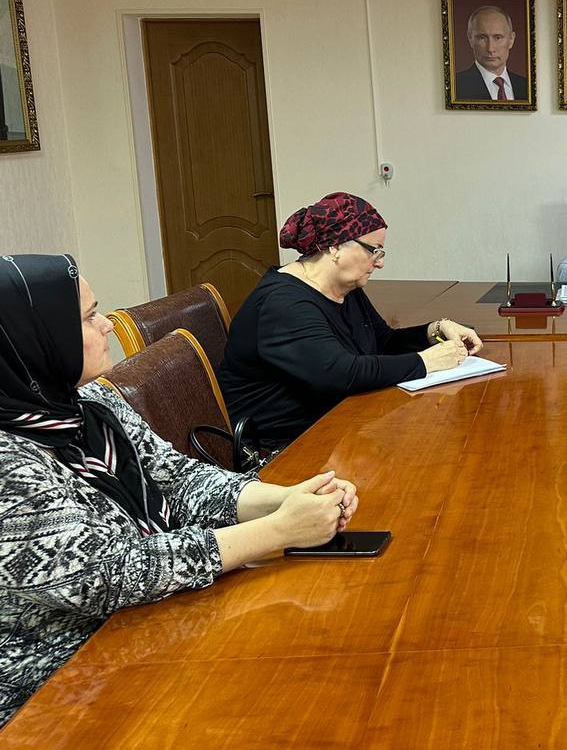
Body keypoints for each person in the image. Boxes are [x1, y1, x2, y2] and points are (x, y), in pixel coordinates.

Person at [0, 253, 362, 725]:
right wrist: (278, 531)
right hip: (60, 686)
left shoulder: (88, 402)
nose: (107, 325)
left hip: (151, 622)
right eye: (89, 317)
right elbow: (103, 574)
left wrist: (287, 498)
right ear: (33, 340)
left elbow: (178, 477)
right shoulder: (7, 459)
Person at [218, 192, 482, 447]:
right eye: (373, 250)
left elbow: (383, 342)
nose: (379, 263)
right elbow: (340, 373)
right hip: (284, 447)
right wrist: (425, 362)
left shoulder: (345, 288)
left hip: (333, 424)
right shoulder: (284, 303)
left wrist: (436, 329)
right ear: (334, 246)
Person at [453, 5, 528, 101]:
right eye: (482, 38)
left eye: (498, 38)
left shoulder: (526, 86)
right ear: (470, 39)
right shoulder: (456, 86)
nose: (490, 48)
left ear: (511, 39)